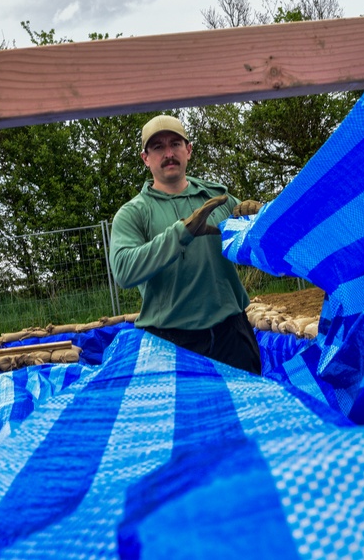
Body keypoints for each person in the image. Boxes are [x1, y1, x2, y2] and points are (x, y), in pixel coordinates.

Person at [109, 114, 263, 374]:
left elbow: (257, 249)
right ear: (145, 158)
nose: (168, 153)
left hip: (232, 336)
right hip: (170, 344)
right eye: (158, 147)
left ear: (188, 150)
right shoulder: (133, 213)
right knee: (182, 416)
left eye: (175, 144)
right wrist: (182, 232)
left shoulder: (220, 199)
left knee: (244, 413)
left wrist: (262, 219)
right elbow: (124, 271)